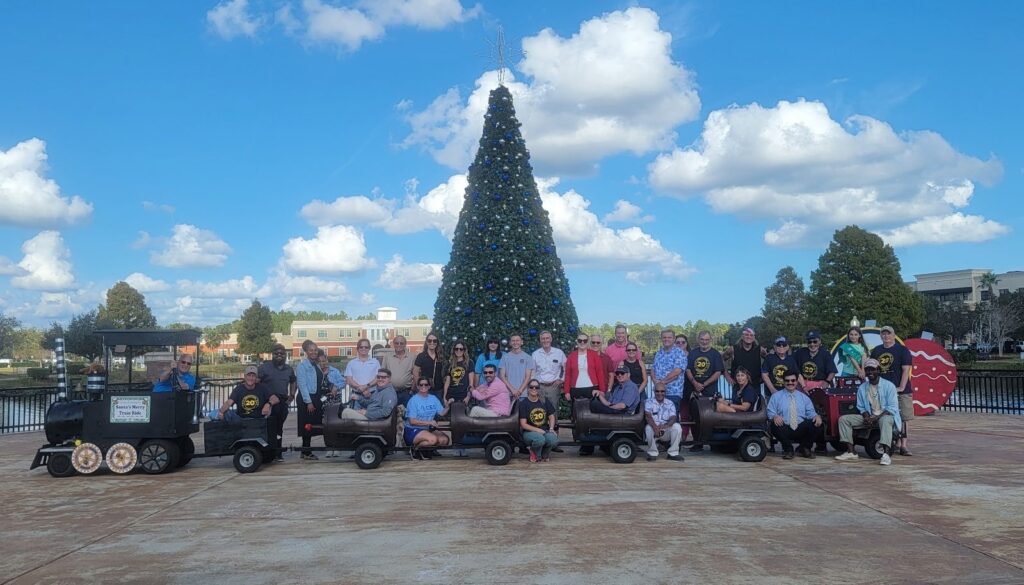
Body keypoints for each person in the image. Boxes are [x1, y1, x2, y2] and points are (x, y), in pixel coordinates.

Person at [835, 359, 902, 466]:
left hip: (886, 416)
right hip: (870, 417)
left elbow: (892, 408)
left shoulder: (889, 386)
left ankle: (886, 455)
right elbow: (861, 407)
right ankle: (851, 452)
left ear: (879, 370)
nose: (870, 372)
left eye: (873, 369)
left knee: (885, 420)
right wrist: (866, 417)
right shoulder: (862, 387)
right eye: (867, 370)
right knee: (844, 419)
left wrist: (875, 418)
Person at [870, 325, 915, 456]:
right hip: (883, 391)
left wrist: (901, 387)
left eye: (888, 334)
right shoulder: (876, 351)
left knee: (903, 417)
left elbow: (906, 369)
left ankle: (903, 445)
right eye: (883, 334)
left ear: (894, 335)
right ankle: (893, 443)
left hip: (901, 390)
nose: (886, 336)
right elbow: (872, 370)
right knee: (885, 416)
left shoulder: (902, 350)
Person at [766, 371, 822, 459]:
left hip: (800, 427)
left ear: (796, 381)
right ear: (783, 381)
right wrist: (775, 416)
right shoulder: (776, 396)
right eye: (787, 380)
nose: (790, 383)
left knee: (817, 424)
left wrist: (816, 416)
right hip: (785, 427)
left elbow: (810, 412)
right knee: (774, 426)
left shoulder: (804, 397)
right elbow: (770, 411)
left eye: (793, 380)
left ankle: (804, 448)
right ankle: (788, 450)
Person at [685, 330, 726, 451]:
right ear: (698, 340)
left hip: (710, 391)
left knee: (710, 417)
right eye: (702, 340)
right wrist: (694, 383)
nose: (704, 342)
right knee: (695, 416)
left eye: (707, 340)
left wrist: (704, 384)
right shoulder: (693, 353)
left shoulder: (715, 354)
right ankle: (698, 442)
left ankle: (712, 441)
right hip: (694, 391)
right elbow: (688, 369)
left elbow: (718, 372)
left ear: (710, 340)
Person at [259, 344, 296, 461]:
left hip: (283, 402)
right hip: (268, 403)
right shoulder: (264, 367)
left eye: (282, 353)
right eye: (276, 353)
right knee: (268, 427)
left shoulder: (289, 369)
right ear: (272, 354)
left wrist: (292, 395)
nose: (279, 355)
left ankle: (278, 453)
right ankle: (267, 453)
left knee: (279, 428)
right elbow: (257, 382)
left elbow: (293, 381)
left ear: (285, 355)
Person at [405, 377, 453, 459]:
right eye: (421, 385)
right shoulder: (413, 400)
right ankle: (414, 449)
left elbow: (441, 413)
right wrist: (429, 422)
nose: (423, 386)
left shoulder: (433, 398)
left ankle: (427, 450)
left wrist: (447, 407)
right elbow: (412, 421)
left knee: (444, 440)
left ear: (429, 386)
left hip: (427, 429)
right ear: (418, 386)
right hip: (413, 429)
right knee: (433, 440)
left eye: (426, 384)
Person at [295, 340, 323, 460]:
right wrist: (309, 402)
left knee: (312, 425)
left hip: (315, 397)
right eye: (311, 350)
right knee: (307, 425)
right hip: (307, 399)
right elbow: (302, 385)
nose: (314, 352)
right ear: (306, 352)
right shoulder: (302, 366)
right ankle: (306, 451)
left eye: (315, 350)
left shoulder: (315, 365)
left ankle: (306, 449)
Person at [518, 379, 558, 462]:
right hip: (529, 432)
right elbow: (523, 424)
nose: (534, 389)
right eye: (531, 387)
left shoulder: (544, 400)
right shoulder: (523, 403)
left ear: (539, 389)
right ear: (528, 389)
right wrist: (538, 430)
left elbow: (551, 416)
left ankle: (544, 453)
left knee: (553, 439)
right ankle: (535, 452)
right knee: (540, 439)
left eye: (536, 387)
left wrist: (551, 428)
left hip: (544, 430)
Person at [644, 382, 684, 462]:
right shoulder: (648, 402)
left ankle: (673, 453)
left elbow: (673, 417)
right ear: (654, 391)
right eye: (657, 391)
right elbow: (648, 416)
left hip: (666, 429)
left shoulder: (670, 403)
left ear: (665, 392)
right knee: (648, 428)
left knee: (677, 427)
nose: (660, 393)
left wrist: (666, 426)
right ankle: (652, 453)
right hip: (654, 430)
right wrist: (655, 428)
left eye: (662, 391)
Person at [316, 351, 345, 457]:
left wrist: (336, 387)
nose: (322, 363)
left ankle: (337, 447)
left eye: (324, 361)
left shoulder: (335, 371)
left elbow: (343, 382)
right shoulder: (316, 372)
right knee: (326, 425)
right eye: (319, 362)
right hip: (323, 402)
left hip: (335, 400)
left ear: (327, 360)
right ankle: (329, 447)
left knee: (337, 423)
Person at [563, 332, 607, 402]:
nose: (582, 342)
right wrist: (567, 391)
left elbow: (600, 373)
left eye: (585, 340)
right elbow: (568, 375)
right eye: (580, 340)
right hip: (575, 389)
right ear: (577, 341)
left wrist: (602, 390)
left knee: (593, 411)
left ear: (588, 342)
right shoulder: (571, 356)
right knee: (576, 412)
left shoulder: (594, 355)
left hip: (592, 389)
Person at [652, 329, 687, 411]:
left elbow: (677, 371)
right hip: (658, 392)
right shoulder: (658, 353)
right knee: (659, 418)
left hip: (673, 393)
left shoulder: (679, 353)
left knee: (672, 419)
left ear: (674, 338)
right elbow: (653, 368)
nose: (666, 339)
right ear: (661, 339)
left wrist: (662, 382)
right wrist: (654, 380)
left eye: (669, 337)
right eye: (664, 337)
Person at [381, 335, 416, 406]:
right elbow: (382, 374)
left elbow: (416, 374)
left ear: (405, 344)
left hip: (407, 393)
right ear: (393, 344)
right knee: (391, 415)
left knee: (407, 415)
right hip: (391, 392)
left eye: (401, 343)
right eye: (397, 343)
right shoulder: (387, 357)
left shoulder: (412, 357)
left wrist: (412, 389)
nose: (399, 345)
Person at [499, 333, 535, 399]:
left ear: (521, 342)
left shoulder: (528, 357)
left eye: (517, 340)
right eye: (513, 341)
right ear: (510, 343)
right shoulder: (504, 357)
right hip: (507, 394)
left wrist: (520, 391)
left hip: (523, 394)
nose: (515, 342)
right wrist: (512, 390)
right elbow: (502, 376)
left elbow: (528, 377)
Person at [413, 332, 445, 400]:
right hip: (425, 389)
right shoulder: (421, 356)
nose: (432, 342)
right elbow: (415, 372)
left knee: (438, 409)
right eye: (429, 340)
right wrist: (419, 386)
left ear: (437, 342)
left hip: (439, 389)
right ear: (426, 342)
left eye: (434, 341)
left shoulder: (440, 356)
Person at [442, 340, 472, 405]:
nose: (459, 351)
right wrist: (444, 397)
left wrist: (468, 397)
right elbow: (447, 382)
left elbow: (471, 383)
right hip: (450, 396)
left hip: (463, 396)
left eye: (461, 349)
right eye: (456, 349)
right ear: (454, 350)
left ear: (464, 350)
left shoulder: (469, 363)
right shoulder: (449, 364)